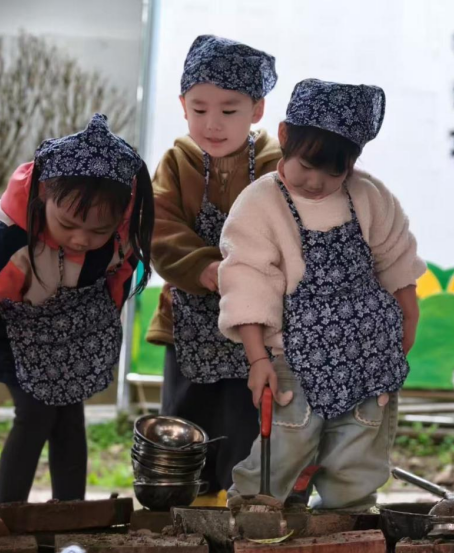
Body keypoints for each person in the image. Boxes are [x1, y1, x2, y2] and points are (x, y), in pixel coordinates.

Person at [219, 79, 425, 510]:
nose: (317, 181)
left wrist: (407, 323)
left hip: (371, 359)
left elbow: (397, 260)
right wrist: (258, 360)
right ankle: (251, 519)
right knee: (282, 453)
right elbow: (248, 281)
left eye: (335, 172)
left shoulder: (370, 196)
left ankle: (345, 524)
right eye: (308, 166)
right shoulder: (260, 203)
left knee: (357, 460)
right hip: (294, 362)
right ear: (284, 136)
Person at [146, 35, 281, 498]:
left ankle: (239, 505)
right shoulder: (175, 162)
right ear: (183, 106)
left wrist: (248, 278)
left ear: (257, 110)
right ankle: (187, 508)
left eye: (229, 110)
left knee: (245, 422)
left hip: (256, 325)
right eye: (199, 108)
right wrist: (204, 268)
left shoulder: (277, 168)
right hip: (186, 320)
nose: (213, 123)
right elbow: (159, 227)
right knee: (187, 423)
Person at [0, 113, 153, 502]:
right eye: (68, 224)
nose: (82, 239)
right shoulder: (11, 241)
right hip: (14, 334)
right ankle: (7, 514)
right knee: (35, 414)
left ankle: (71, 513)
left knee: (69, 417)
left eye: (99, 230)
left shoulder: (119, 242)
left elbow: (115, 288)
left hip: (74, 335)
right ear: (44, 193)